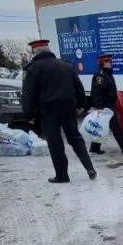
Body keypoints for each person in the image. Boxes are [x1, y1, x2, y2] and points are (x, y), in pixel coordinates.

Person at [21, 39, 96, 183]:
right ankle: (89, 168)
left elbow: (29, 94)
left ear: (34, 52)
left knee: (55, 143)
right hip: (68, 109)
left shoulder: (33, 69)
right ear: (49, 50)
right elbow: (78, 87)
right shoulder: (66, 65)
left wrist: (28, 114)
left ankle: (62, 175)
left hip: (48, 112)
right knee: (75, 138)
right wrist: (81, 104)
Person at [88, 54, 123, 155]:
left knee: (101, 127)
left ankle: (94, 148)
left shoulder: (108, 74)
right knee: (115, 127)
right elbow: (96, 92)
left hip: (109, 105)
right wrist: (99, 107)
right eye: (108, 62)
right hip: (105, 107)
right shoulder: (100, 76)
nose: (111, 63)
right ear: (102, 63)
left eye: (111, 62)